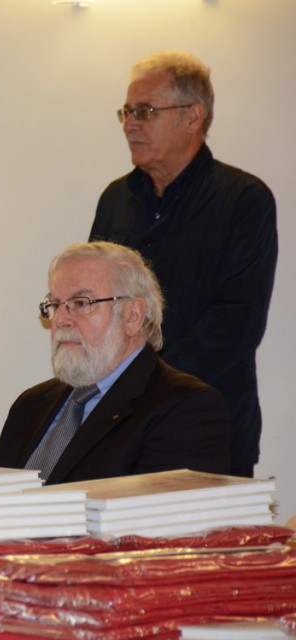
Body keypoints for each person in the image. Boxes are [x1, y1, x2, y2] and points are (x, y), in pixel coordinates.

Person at [90, 51, 277, 477]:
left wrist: (142, 380)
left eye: (144, 111)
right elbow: (94, 302)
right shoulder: (116, 200)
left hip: (207, 426)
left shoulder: (243, 200)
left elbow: (238, 321)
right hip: (117, 431)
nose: (129, 124)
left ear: (193, 117)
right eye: (126, 112)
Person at [0, 242, 229, 486]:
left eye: (81, 303)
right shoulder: (30, 405)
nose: (60, 319)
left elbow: (164, 510)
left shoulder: (184, 408)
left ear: (132, 316)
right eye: (54, 305)